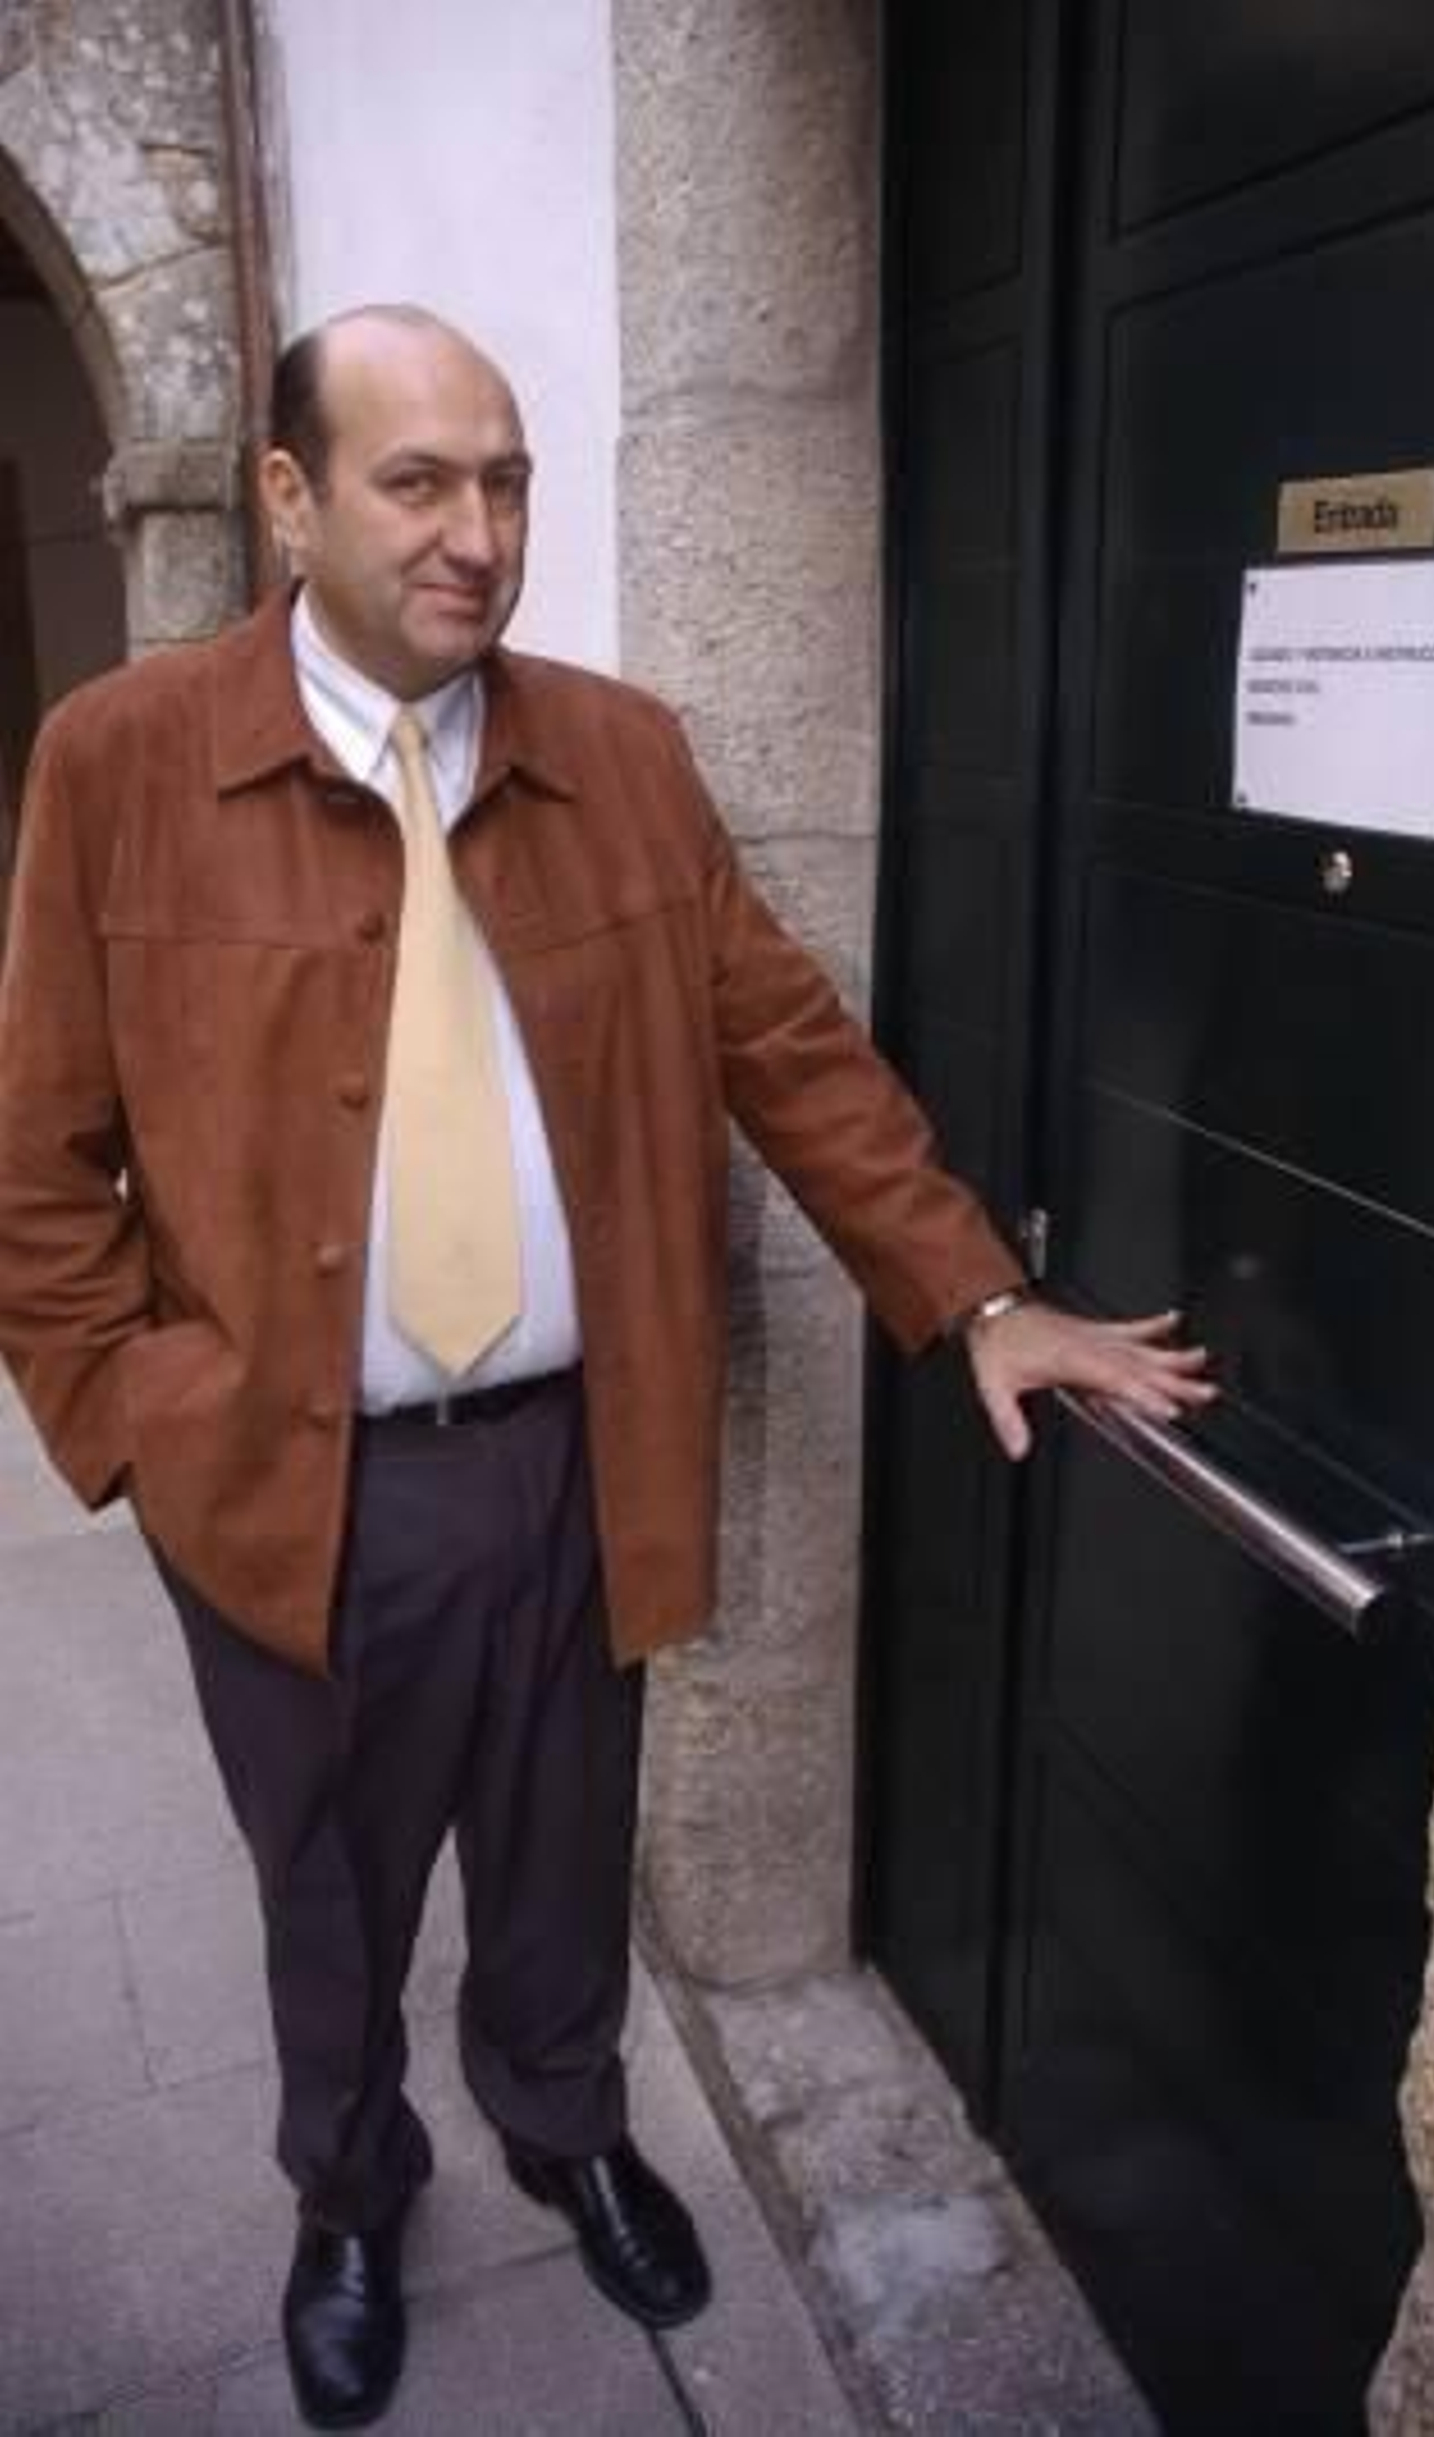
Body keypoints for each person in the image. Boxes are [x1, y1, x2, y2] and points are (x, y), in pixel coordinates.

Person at [0, 305, 1212, 2428]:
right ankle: (349, 2191)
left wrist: (970, 1286)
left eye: (509, 479)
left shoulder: (622, 757)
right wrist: (144, 1423)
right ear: (287, 497)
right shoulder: (119, 759)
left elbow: (784, 1048)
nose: (478, 532)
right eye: (418, 481)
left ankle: (559, 2122)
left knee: (563, 1853)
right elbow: (34, 1160)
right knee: (330, 1889)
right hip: (289, 1480)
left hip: (572, 1456)